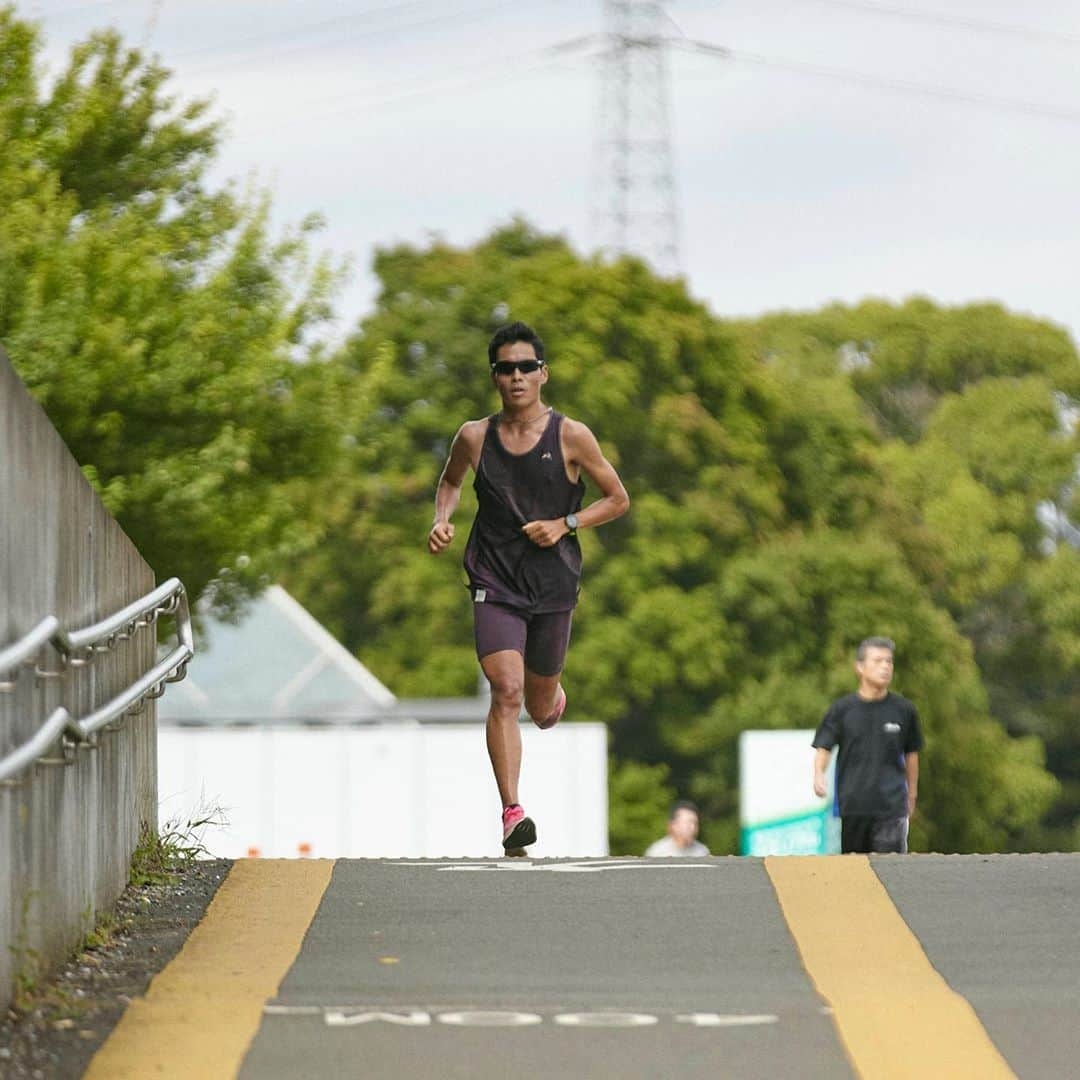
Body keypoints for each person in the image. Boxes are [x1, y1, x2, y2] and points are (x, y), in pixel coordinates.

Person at [428, 322, 629, 856]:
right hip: (493, 578)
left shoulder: (571, 435)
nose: (515, 377)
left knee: (539, 709)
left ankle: (552, 697)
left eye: (525, 367)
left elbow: (617, 499)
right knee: (506, 690)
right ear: (494, 376)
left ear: (543, 373)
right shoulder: (474, 436)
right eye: (504, 368)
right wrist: (442, 520)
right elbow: (449, 481)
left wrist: (566, 523)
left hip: (552, 582)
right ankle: (512, 812)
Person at [812, 637, 923, 854]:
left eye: (889, 662)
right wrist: (818, 774)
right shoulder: (842, 710)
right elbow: (824, 746)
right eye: (878, 661)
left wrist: (912, 794)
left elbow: (911, 753)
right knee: (856, 873)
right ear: (860, 667)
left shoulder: (904, 710)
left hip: (891, 806)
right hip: (853, 805)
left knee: (890, 870)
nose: (885, 667)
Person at [645, 800, 710, 857]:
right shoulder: (656, 852)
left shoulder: (702, 852)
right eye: (688, 823)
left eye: (695, 823)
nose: (692, 827)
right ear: (673, 825)